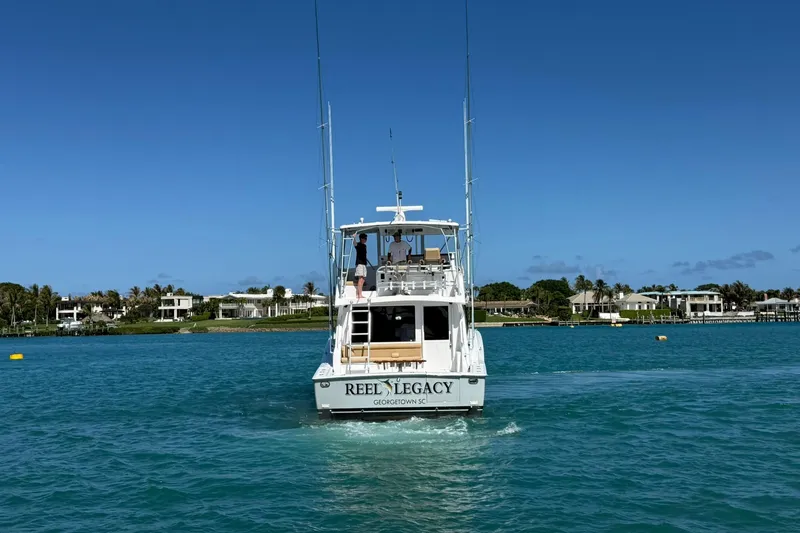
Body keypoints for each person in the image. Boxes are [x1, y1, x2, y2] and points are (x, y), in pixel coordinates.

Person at [354, 233, 368, 299]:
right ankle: (359, 295)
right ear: (361, 239)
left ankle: (359, 293)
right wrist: (354, 238)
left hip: (364, 264)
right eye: (365, 238)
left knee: (363, 279)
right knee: (360, 278)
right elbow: (355, 244)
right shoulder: (359, 245)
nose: (366, 239)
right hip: (359, 263)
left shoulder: (364, 246)